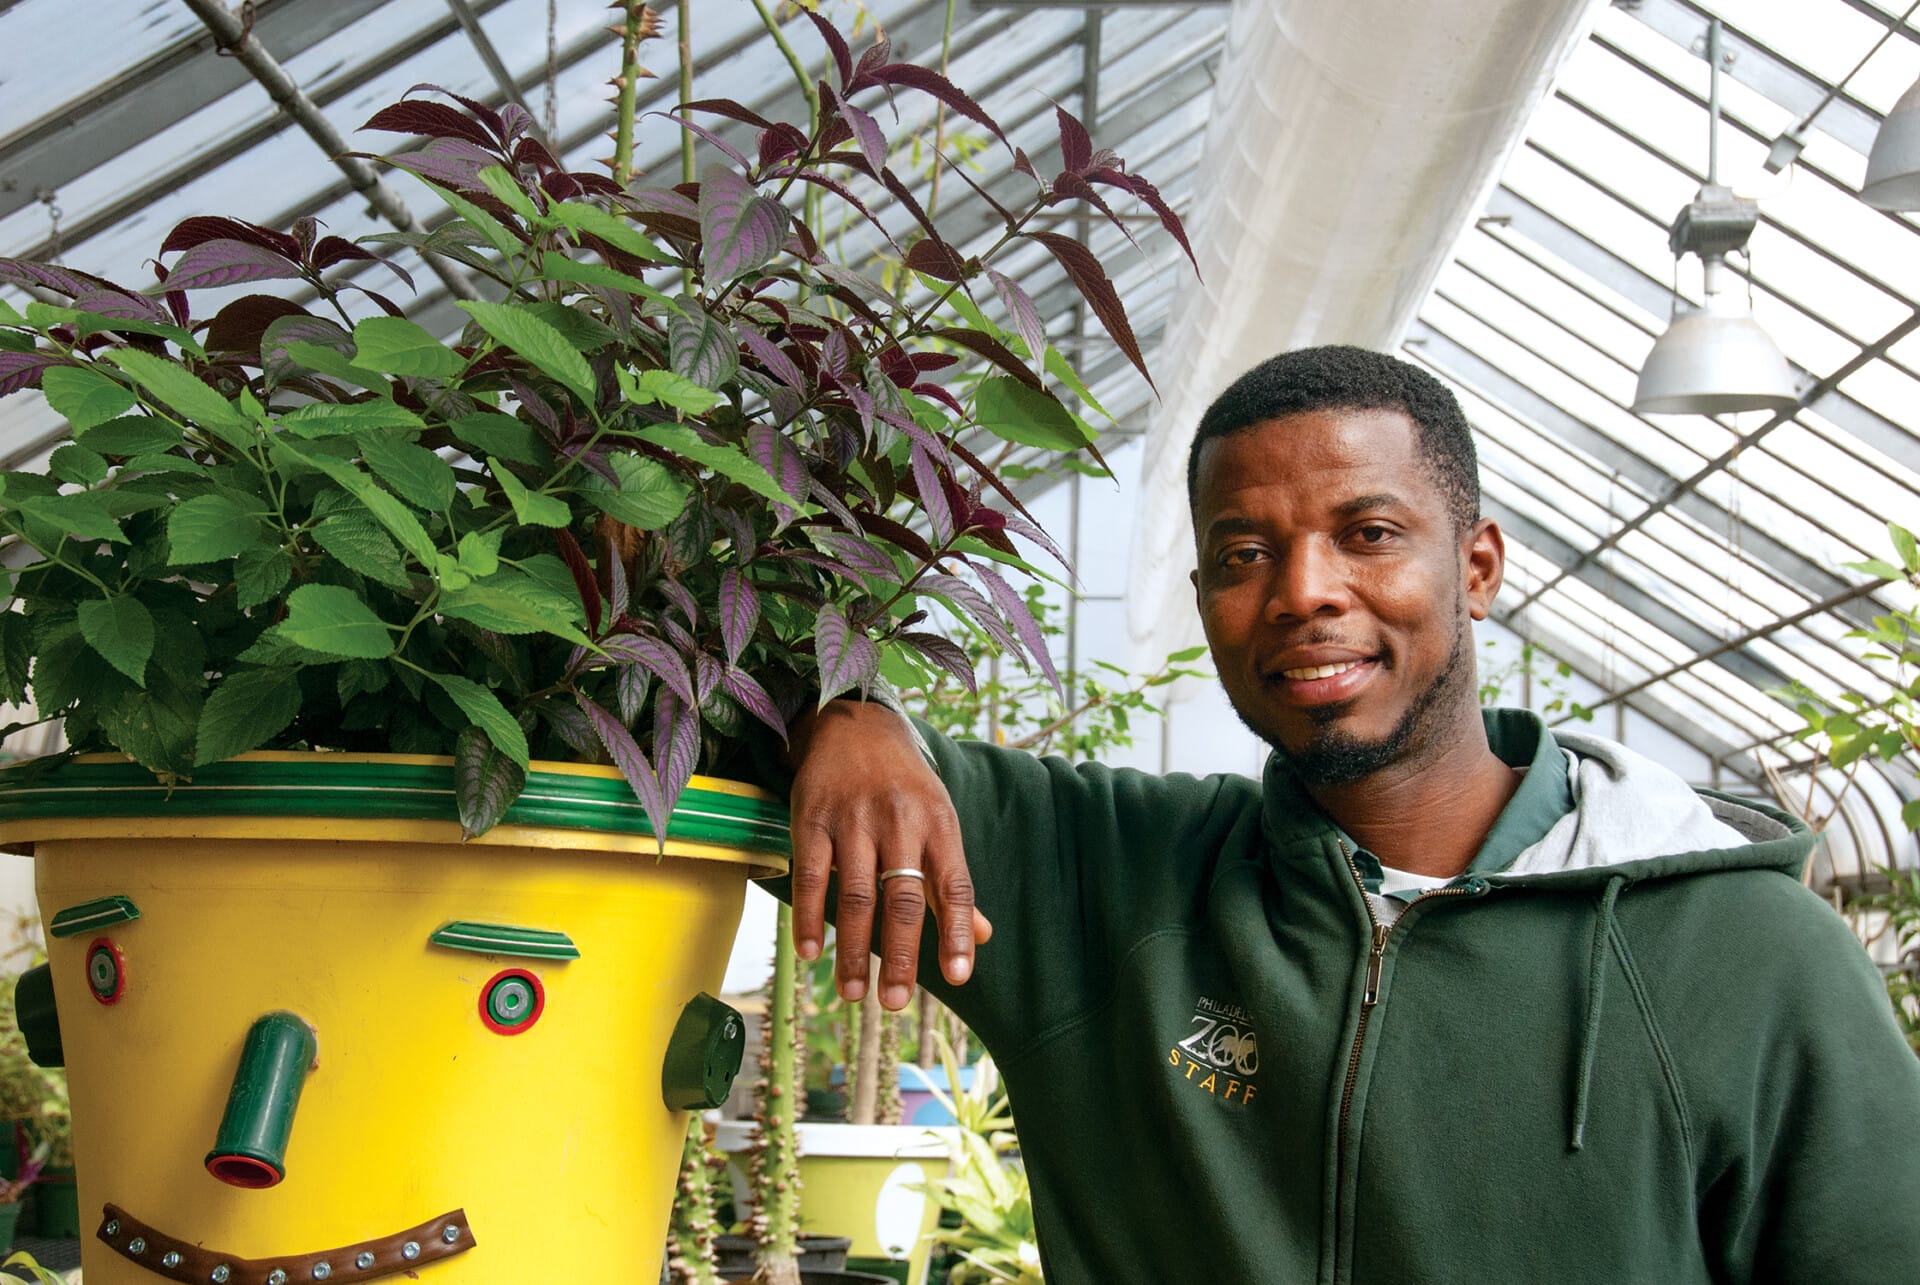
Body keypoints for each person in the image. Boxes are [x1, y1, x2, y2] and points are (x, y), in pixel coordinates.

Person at [778, 346, 1920, 1282]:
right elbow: (655, 678)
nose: (1305, 590)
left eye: (1368, 534)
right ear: (1207, 604)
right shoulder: (1107, 878)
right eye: (1245, 553)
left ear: (1475, 568)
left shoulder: (1752, 960)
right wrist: (852, 704)